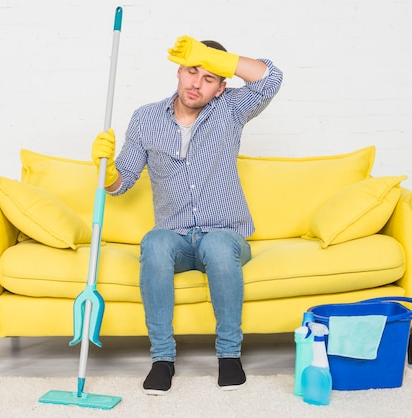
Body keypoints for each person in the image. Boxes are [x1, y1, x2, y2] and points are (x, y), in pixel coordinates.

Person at [91, 35, 283, 395]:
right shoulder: (146, 119)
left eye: (209, 78)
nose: (196, 83)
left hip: (225, 235)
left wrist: (209, 56)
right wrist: (104, 168)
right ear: (178, 71)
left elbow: (271, 78)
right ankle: (162, 360)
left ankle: (229, 357)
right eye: (192, 71)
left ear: (221, 88)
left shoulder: (230, 110)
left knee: (218, 246)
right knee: (155, 242)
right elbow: (121, 185)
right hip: (175, 238)